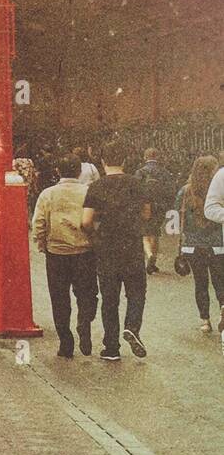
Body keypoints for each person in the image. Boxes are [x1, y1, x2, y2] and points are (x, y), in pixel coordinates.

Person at [82, 141, 152, 361]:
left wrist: (95, 235)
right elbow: (147, 214)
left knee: (109, 299)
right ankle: (132, 326)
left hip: (106, 249)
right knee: (136, 293)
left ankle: (111, 348)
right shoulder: (137, 183)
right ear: (124, 160)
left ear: (103, 161)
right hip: (131, 247)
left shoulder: (96, 186)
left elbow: (85, 221)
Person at [31, 155, 98, 358]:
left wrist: (42, 244)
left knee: (59, 299)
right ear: (79, 171)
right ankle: (84, 322)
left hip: (56, 253)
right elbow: (96, 221)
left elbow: (39, 223)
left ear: (58, 172)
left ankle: (66, 342)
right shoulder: (89, 192)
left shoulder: (47, 194)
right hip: (84, 252)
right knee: (87, 294)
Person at [176, 155, 224, 336]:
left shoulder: (185, 191)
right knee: (220, 281)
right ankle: (223, 312)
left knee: (200, 283)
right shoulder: (219, 188)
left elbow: (176, 216)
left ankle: (205, 320)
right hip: (218, 244)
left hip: (193, 245)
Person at [135, 147, 176, 275]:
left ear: (145, 157)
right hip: (160, 206)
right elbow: (171, 190)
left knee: (145, 234)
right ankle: (153, 263)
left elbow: (135, 190)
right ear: (158, 157)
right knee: (155, 233)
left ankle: (149, 254)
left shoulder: (140, 172)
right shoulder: (165, 172)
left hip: (144, 206)